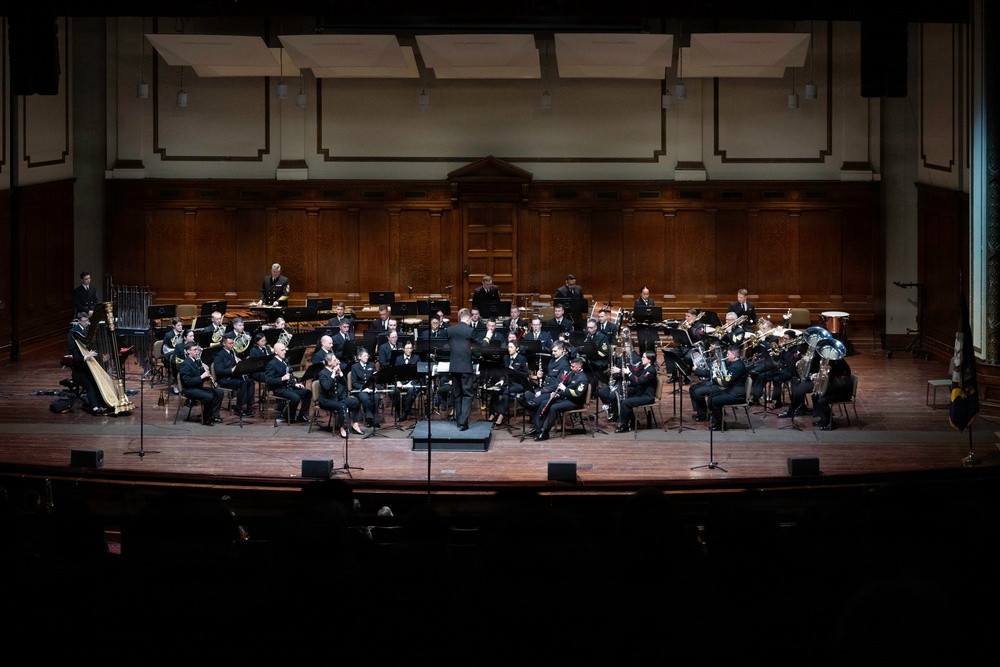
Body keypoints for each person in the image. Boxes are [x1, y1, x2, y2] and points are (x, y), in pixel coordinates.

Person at [530, 353, 589, 441]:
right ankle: (538, 428)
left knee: (554, 407)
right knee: (544, 402)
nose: (571, 368)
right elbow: (563, 387)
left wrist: (565, 389)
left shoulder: (582, 379)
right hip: (566, 398)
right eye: (571, 366)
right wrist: (557, 394)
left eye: (573, 366)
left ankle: (545, 431)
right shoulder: (571, 373)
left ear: (579, 367)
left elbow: (577, 394)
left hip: (575, 402)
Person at [693, 344, 748, 431]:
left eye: (728, 354)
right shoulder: (735, 364)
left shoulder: (737, 367)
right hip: (731, 391)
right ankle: (718, 422)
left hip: (736, 395)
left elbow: (725, 382)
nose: (727, 356)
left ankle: (721, 425)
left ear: (733, 355)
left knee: (714, 401)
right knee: (711, 397)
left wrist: (715, 377)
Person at [67, 312, 106, 415]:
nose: (86, 323)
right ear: (78, 321)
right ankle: (95, 408)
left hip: (89, 369)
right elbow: (76, 359)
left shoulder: (88, 331)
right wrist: (86, 356)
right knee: (90, 386)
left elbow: (93, 348)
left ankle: (104, 403)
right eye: (84, 321)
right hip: (79, 371)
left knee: (98, 382)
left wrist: (100, 356)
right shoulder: (73, 333)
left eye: (87, 321)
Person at [446, 307, 478, 431]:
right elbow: (480, 345)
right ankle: (463, 422)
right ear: (468, 319)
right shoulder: (470, 330)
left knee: (457, 394)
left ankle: (459, 421)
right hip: (465, 368)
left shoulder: (450, 330)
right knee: (468, 394)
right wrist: (488, 337)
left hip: (454, 367)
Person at [318, 352, 364, 438]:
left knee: (355, 402)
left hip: (336, 398)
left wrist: (340, 374)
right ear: (329, 363)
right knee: (342, 406)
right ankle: (342, 428)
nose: (337, 362)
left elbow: (345, 384)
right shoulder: (322, 373)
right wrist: (333, 375)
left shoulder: (335, 370)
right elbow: (326, 387)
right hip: (326, 400)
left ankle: (355, 424)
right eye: (334, 360)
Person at [265, 342, 312, 424]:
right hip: (280, 389)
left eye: (285, 350)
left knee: (307, 393)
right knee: (296, 398)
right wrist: (281, 379)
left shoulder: (285, 361)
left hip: (289, 387)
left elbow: (290, 375)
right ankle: (287, 415)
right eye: (282, 350)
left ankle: (302, 415)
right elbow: (269, 380)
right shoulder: (272, 364)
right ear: (276, 352)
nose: (285, 352)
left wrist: (295, 384)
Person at [179, 342, 224, 426]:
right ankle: (207, 419)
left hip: (198, 387)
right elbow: (187, 382)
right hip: (189, 390)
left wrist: (206, 371)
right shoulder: (185, 364)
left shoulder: (197, 361)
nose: (197, 352)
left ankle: (214, 415)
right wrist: (202, 376)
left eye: (197, 349)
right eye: (195, 350)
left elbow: (202, 377)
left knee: (219, 393)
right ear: (188, 351)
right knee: (208, 397)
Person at [614, 350, 658, 433]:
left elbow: (639, 381)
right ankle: (632, 422)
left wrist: (629, 373)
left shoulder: (650, 370)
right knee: (624, 398)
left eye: (644, 357)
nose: (642, 359)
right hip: (642, 393)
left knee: (626, 402)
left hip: (647, 396)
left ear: (649, 360)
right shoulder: (645, 368)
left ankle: (624, 425)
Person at [214, 332, 254, 417]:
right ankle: (239, 407)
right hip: (225, 379)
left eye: (233, 343)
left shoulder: (233, 352)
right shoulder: (219, 355)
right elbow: (219, 371)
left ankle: (249, 407)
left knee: (250, 381)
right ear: (224, 344)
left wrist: (239, 363)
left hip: (234, 377)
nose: (232, 345)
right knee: (242, 384)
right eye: (230, 343)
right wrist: (231, 370)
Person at [812, 357, 853, 430]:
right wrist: (820, 375)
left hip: (843, 393)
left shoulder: (843, 366)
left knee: (822, 401)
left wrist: (827, 377)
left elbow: (841, 384)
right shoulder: (832, 363)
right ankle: (823, 419)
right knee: (815, 396)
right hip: (834, 390)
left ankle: (830, 423)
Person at [392, 341, 421, 421]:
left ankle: (405, 412)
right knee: (393, 391)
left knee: (411, 390)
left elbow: (418, 374)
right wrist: (398, 382)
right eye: (407, 348)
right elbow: (395, 373)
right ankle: (399, 411)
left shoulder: (416, 358)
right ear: (403, 349)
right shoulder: (398, 359)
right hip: (401, 383)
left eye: (411, 348)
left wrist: (411, 383)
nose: (409, 350)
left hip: (411, 383)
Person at [351, 347, 378, 426]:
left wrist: (375, 387)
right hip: (360, 389)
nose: (367, 357)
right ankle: (369, 418)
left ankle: (375, 418)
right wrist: (364, 388)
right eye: (364, 356)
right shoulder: (354, 367)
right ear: (359, 357)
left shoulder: (371, 364)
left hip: (370, 388)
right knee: (365, 398)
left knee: (376, 397)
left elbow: (375, 378)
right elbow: (354, 383)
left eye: (367, 356)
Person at [162, 317, 185, 394]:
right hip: (170, 357)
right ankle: (175, 383)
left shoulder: (183, 334)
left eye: (181, 325)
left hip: (181, 355)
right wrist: (176, 350)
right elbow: (163, 350)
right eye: (178, 325)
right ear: (173, 326)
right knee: (176, 363)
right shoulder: (168, 335)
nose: (180, 327)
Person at [633, 286, 658, 353]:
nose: (646, 296)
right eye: (644, 294)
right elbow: (636, 314)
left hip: (650, 325)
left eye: (647, 294)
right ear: (641, 294)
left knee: (652, 343)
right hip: (641, 326)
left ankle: (652, 356)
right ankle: (642, 356)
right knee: (642, 344)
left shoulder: (651, 301)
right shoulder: (637, 302)